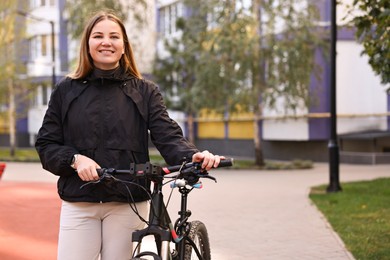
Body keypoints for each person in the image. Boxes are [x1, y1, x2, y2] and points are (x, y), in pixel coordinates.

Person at [35, 10, 224, 260]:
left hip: (128, 202)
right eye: (98, 36)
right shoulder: (65, 90)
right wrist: (75, 159)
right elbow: (46, 144)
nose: (106, 42)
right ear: (87, 44)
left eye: (114, 36)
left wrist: (192, 156)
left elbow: (167, 135)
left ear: (123, 46)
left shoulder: (145, 91)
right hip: (79, 201)